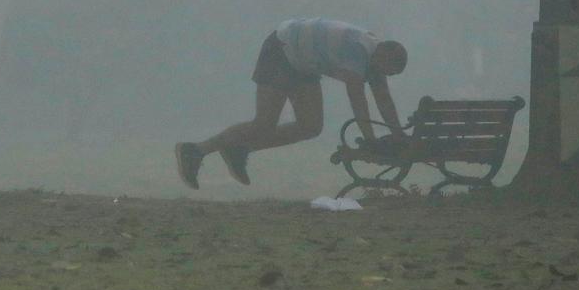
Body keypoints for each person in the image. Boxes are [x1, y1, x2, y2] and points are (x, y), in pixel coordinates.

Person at [175, 17, 408, 189]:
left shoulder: (375, 56)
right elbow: (357, 99)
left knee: (311, 126)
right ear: (382, 56)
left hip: (304, 62)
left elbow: (384, 99)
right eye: (389, 71)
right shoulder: (358, 51)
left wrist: (398, 135)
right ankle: (195, 150)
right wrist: (370, 140)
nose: (385, 76)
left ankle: (240, 149)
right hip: (282, 49)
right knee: (264, 123)